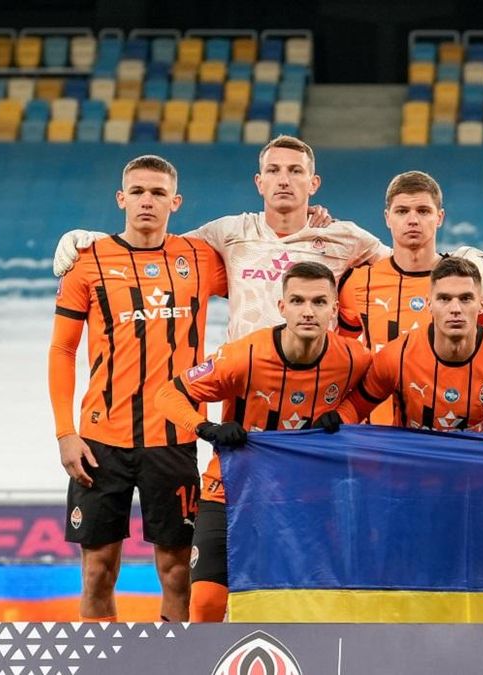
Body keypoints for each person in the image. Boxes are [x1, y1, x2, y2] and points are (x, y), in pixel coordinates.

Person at [48, 155, 228, 622]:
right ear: (121, 198)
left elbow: (262, 271)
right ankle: (102, 660)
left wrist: (313, 224)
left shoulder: (200, 258)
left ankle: (172, 659)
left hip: (173, 438)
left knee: (176, 573)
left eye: (158, 193)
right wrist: (65, 432)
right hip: (99, 442)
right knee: (98, 572)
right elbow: (62, 350)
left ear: (175, 202)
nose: (148, 200)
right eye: (138, 192)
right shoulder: (87, 262)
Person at [155, 261, 371, 622]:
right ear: (282, 306)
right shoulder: (244, 355)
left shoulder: (353, 358)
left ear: (334, 309)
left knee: (302, 609)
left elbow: (376, 388)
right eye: (298, 301)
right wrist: (206, 428)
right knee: (206, 602)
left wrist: (346, 414)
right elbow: (167, 394)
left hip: (304, 500)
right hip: (230, 492)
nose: (308, 311)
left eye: (319, 302)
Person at [52, 135, 392, 340]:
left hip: (319, 385)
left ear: (313, 183)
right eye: (273, 170)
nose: (283, 180)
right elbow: (154, 249)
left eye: (295, 171)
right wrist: (96, 240)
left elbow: (406, 267)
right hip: (244, 387)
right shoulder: (229, 232)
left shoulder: (344, 237)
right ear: (259, 182)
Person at [337, 171, 483, 424]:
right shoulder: (358, 282)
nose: (413, 220)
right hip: (377, 437)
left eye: (424, 211)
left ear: (440, 218)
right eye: (402, 211)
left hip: (449, 432)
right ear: (387, 218)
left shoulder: (469, 286)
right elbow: (340, 357)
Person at [342, 256, 483, 435]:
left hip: (479, 465)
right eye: (444, 299)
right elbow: (355, 408)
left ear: (482, 304)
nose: (455, 309)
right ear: (429, 304)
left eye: (466, 299)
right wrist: (332, 422)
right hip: (413, 464)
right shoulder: (396, 356)